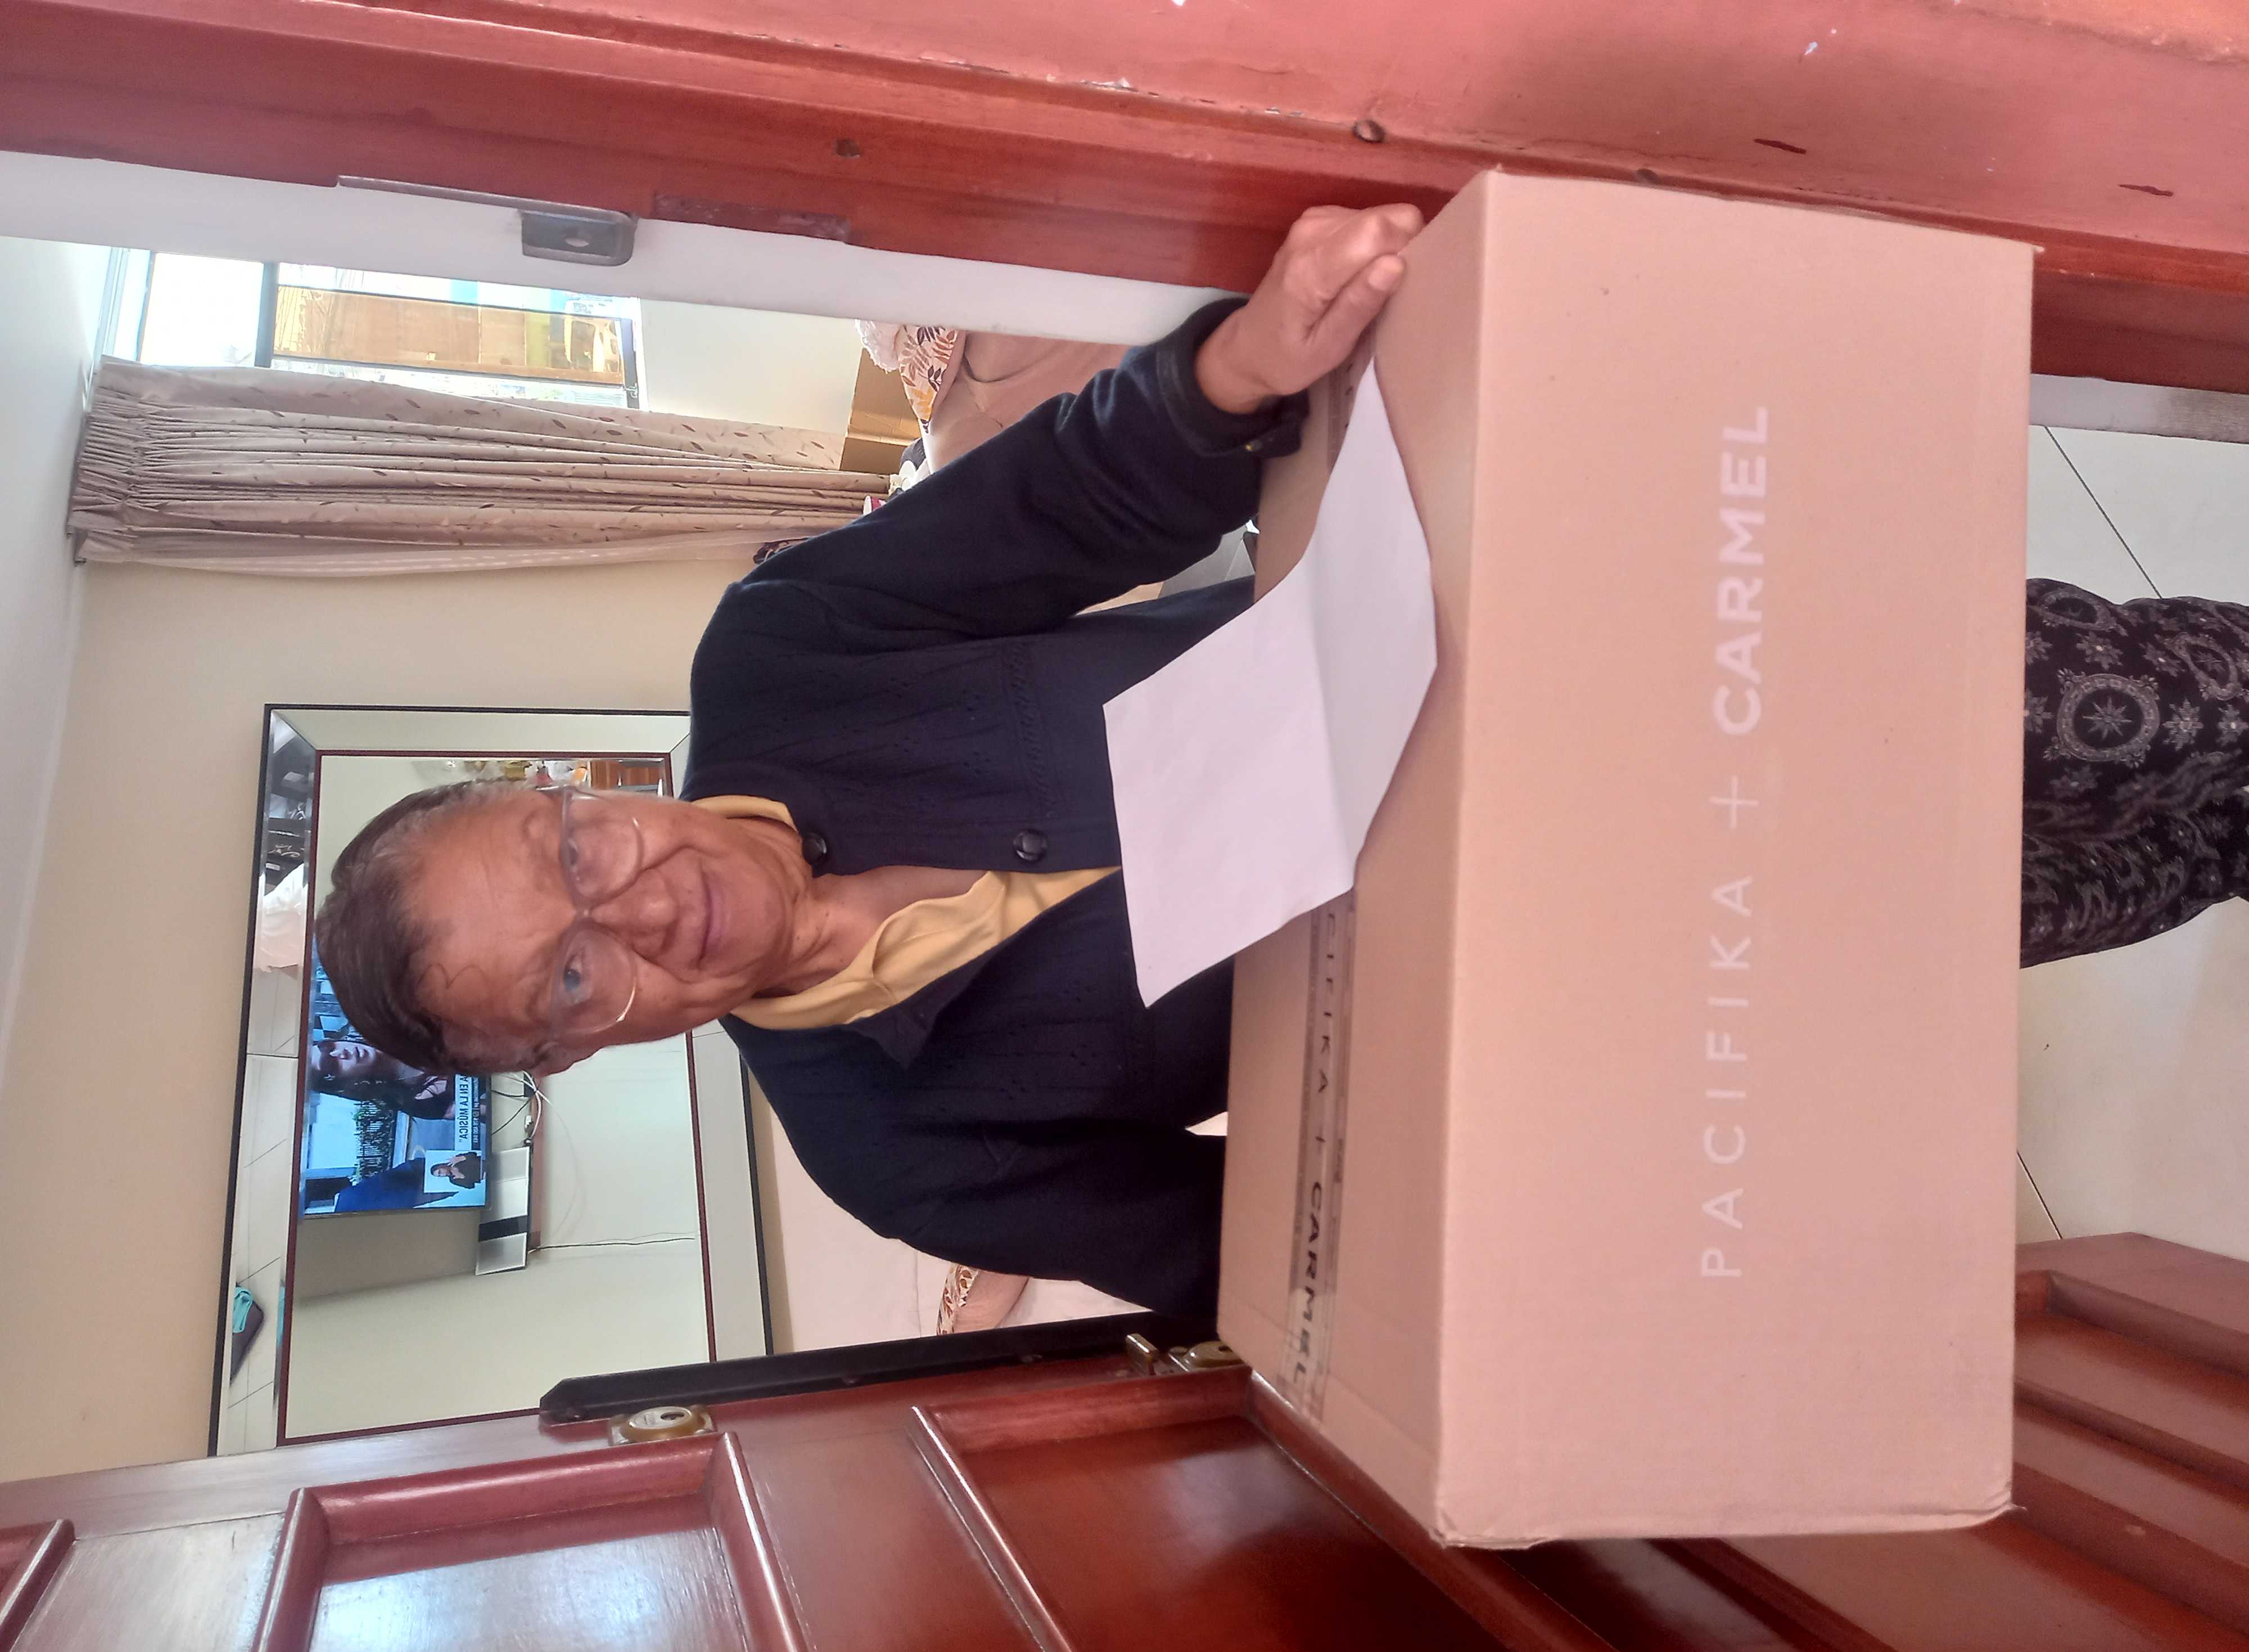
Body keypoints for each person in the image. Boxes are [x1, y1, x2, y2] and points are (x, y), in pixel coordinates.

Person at [311, 201, 2249, 1320]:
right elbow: (1245, 1250)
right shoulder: (887, 1151)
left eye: (573, 856)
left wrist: (1235, 371)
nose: (640, 910)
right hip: (1631, 969)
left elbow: (1062, 505)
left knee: (2096, 697)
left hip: (1563, 665)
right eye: (573, 978)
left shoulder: (783, 657)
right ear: (568, 1059)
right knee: (2059, 883)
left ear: (569, 791)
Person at [308, 1036, 456, 1120]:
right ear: (342, 1082)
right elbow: (467, 1116)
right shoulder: (416, 1101)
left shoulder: (404, 1025)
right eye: (330, 1064)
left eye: (328, 1046)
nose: (342, 1053)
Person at [331, 1151, 484, 1212]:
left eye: (440, 1173)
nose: (442, 1175)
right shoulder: (347, 1197)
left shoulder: (348, 1202)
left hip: (411, 1194)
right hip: (410, 1193)